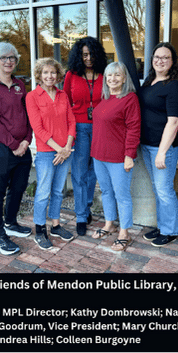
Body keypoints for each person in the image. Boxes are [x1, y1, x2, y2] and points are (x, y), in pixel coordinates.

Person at [0, 42, 33, 256]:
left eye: (12, 58)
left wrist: (27, 141)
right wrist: (13, 145)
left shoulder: (20, 84)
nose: (9, 61)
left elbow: (29, 116)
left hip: (22, 148)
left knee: (19, 187)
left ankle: (10, 222)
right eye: (4, 58)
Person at [26, 58, 77, 250]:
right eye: (45, 72)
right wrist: (60, 149)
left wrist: (67, 146)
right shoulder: (32, 97)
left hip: (66, 151)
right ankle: (40, 230)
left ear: (58, 75)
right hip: (48, 153)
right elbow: (37, 128)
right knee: (43, 192)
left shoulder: (63, 95)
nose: (50, 76)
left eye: (53, 72)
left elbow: (72, 122)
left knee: (57, 191)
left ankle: (55, 226)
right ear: (39, 75)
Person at [90, 62, 141, 252]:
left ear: (124, 78)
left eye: (117, 75)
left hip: (119, 157)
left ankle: (124, 232)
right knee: (106, 192)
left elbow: (134, 129)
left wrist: (129, 155)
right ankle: (109, 224)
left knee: (122, 195)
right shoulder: (104, 98)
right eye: (109, 75)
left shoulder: (129, 99)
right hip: (99, 155)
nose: (113, 79)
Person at [139, 42, 178, 247]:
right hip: (148, 144)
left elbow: (174, 121)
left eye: (166, 57)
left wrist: (162, 152)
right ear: (152, 59)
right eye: (157, 57)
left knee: (164, 189)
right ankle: (163, 226)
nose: (161, 61)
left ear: (172, 61)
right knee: (158, 188)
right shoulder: (149, 82)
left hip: (163, 147)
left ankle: (172, 230)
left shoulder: (174, 85)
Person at [63, 37, 107, 235]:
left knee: (94, 172)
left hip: (100, 127)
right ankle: (81, 215)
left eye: (91, 54)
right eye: (84, 55)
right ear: (79, 56)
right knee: (79, 173)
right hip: (79, 128)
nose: (88, 58)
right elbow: (66, 102)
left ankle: (86, 206)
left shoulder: (105, 75)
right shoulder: (71, 75)